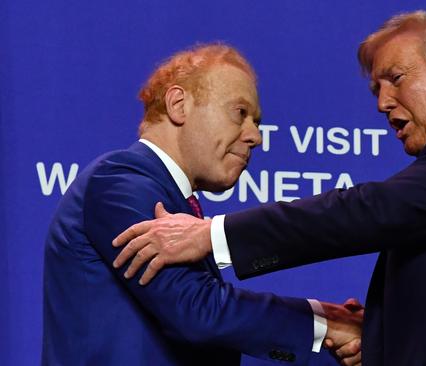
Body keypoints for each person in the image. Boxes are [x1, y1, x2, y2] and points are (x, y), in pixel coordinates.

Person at [113, 12, 426, 365]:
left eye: (395, 79)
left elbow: (375, 209)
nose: (381, 102)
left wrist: (214, 237)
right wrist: (371, 332)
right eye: (376, 88)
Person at [42, 43, 362, 366]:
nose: (255, 136)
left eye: (256, 122)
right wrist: (326, 323)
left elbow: (209, 340)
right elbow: (198, 311)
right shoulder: (119, 183)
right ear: (179, 105)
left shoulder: (173, 203)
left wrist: (330, 329)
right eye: (240, 113)